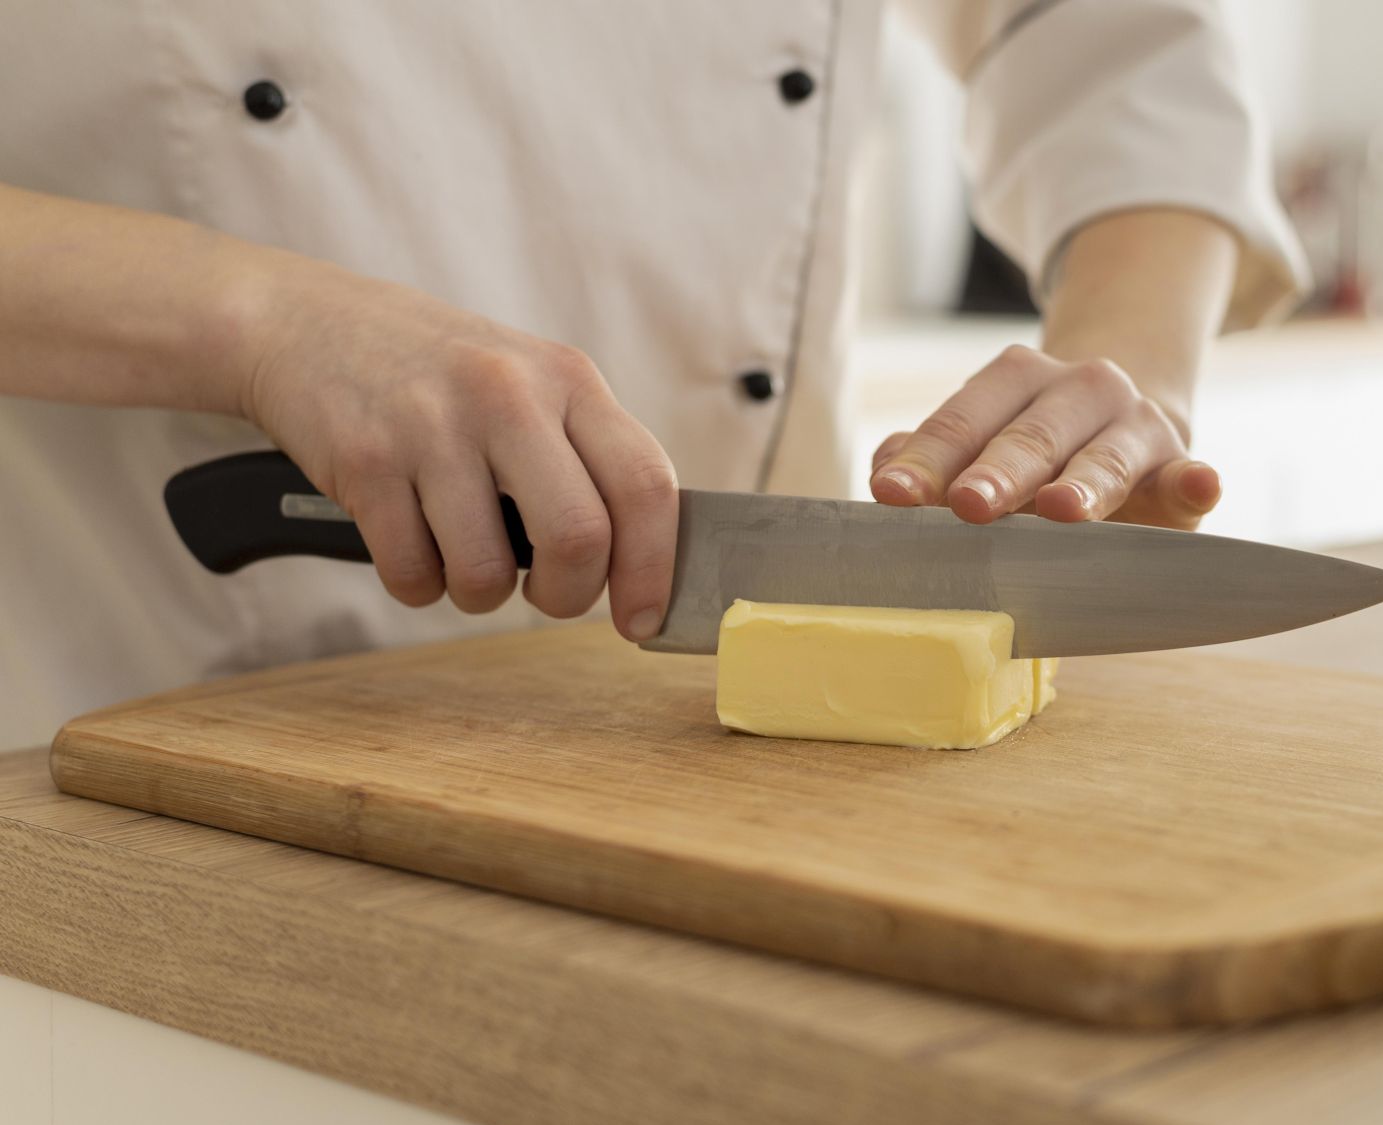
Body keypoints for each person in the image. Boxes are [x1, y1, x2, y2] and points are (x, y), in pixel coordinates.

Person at [0, 1, 1306, 749]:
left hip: (757, 779)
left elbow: (1105, 40)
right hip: (134, 730)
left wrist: (1124, 373)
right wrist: (255, 318)